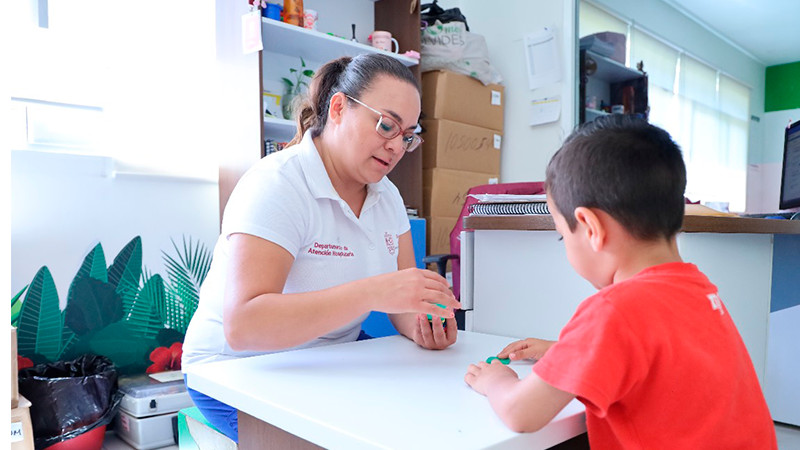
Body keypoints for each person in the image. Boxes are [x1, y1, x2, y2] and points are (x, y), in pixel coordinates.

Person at [182, 53, 461, 442]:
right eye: (386, 125)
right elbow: (244, 326)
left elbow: (401, 305)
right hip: (240, 369)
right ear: (339, 107)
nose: (396, 146)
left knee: (427, 419)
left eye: (408, 136)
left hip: (331, 356)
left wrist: (424, 326)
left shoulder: (388, 198)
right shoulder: (277, 184)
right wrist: (376, 291)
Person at [464, 115, 777, 448]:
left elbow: (520, 412)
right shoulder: (700, 290)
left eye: (562, 237)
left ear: (590, 228)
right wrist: (563, 354)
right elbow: (663, 363)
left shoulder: (614, 309)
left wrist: (496, 380)